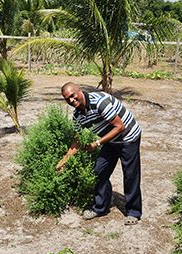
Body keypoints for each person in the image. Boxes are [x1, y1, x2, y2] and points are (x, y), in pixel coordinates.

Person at [56, 82, 143, 225]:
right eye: (67, 99)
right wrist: (64, 160)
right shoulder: (78, 115)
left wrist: (97, 144)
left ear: (80, 90)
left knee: (130, 174)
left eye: (73, 95)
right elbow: (76, 141)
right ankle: (100, 207)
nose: (71, 100)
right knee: (99, 171)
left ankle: (133, 212)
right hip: (110, 141)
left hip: (129, 137)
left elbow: (119, 126)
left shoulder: (100, 102)